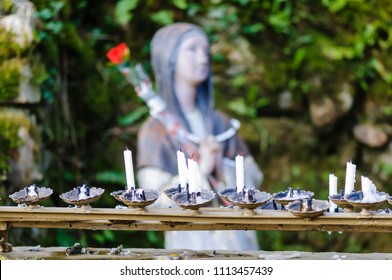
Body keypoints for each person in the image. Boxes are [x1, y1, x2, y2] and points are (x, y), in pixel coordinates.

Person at [137, 22, 263, 250]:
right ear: (169, 58)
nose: (203, 58)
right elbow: (152, 203)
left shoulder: (220, 122)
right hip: (191, 243)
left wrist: (221, 167)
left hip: (238, 242)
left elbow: (255, 179)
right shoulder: (156, 130)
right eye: (192, 49)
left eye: (205, 51)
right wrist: (200, 171)